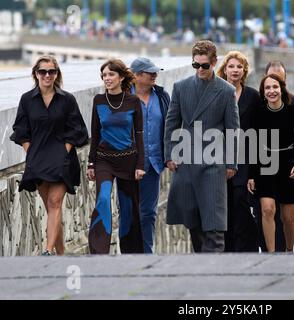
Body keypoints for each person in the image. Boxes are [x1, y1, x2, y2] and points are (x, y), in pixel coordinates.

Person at [164, 40, 240, 253]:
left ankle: (214, 269)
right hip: (186, 161)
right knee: (193, 221)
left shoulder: (226, 91)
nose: (199, 70)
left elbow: (233, 130)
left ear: (215, 63)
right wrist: (170, 153)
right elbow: (171, 122)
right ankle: (202, 266)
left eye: (204, 66)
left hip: (213, 163)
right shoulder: (181, 87)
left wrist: (231, 162)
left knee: (214, 224)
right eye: (195, 65)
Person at [10, 55, 89, 256]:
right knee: (51, 208)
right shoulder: (27, 99)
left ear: (56, 74)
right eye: (42, 71)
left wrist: (65, 150)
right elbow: (21, 129)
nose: (47, 75)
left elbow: (78, 128)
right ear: (35, 74)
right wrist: (31, 152)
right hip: (38, 159)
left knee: (55, 203)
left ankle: (47, 250)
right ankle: (61, 254)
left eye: (51, 71)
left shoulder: (67, 99)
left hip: (62, 159)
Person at [87, 59, 145, 254]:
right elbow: (95, 134)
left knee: (128, 207)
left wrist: (140, 164)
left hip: (128, 160)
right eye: (104, 75)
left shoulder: (133, 101)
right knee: (103, 199)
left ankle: (132, 252)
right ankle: (98, 252)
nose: (107, 78)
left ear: (121, 77)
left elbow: (139, 136)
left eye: (111, 74)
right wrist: (91, 163)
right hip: (104, 160)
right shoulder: (98, 101)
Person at [248, 74, 294, 253]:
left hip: (290, 165)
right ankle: (272, 254)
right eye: (267, 88)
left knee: (288, 218)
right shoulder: (258, 112)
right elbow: (252, 143)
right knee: (267, 210)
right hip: (265, 165)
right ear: (263, 92)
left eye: (275, 87)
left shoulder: (293, 110)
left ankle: (289, 250)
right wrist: (251, 174)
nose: (271, 91)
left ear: (281, 89)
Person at [217, 51, 260, 252]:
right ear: (224, 69)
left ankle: (246, 250)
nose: (235, 70)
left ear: (244, 71)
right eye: (231, 66)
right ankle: (226, 250)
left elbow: (260, 131)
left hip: (245, 157)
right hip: (219, 157)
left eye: (239, 67)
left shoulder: (253, 96)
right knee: (223, 205)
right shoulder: (215, 92)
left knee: (242, 203)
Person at [129, 57, 170, 254]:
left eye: (155, 72)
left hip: (153, 163)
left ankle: (146, 253)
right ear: (136, 76)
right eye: (149, 72)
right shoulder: (123, 97)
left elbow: (170, 127)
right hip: (128, 164)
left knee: (148, 213)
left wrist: (170, 154)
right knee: (129, 212)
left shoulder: (162, 96)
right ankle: (129, 252)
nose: (154, 75)